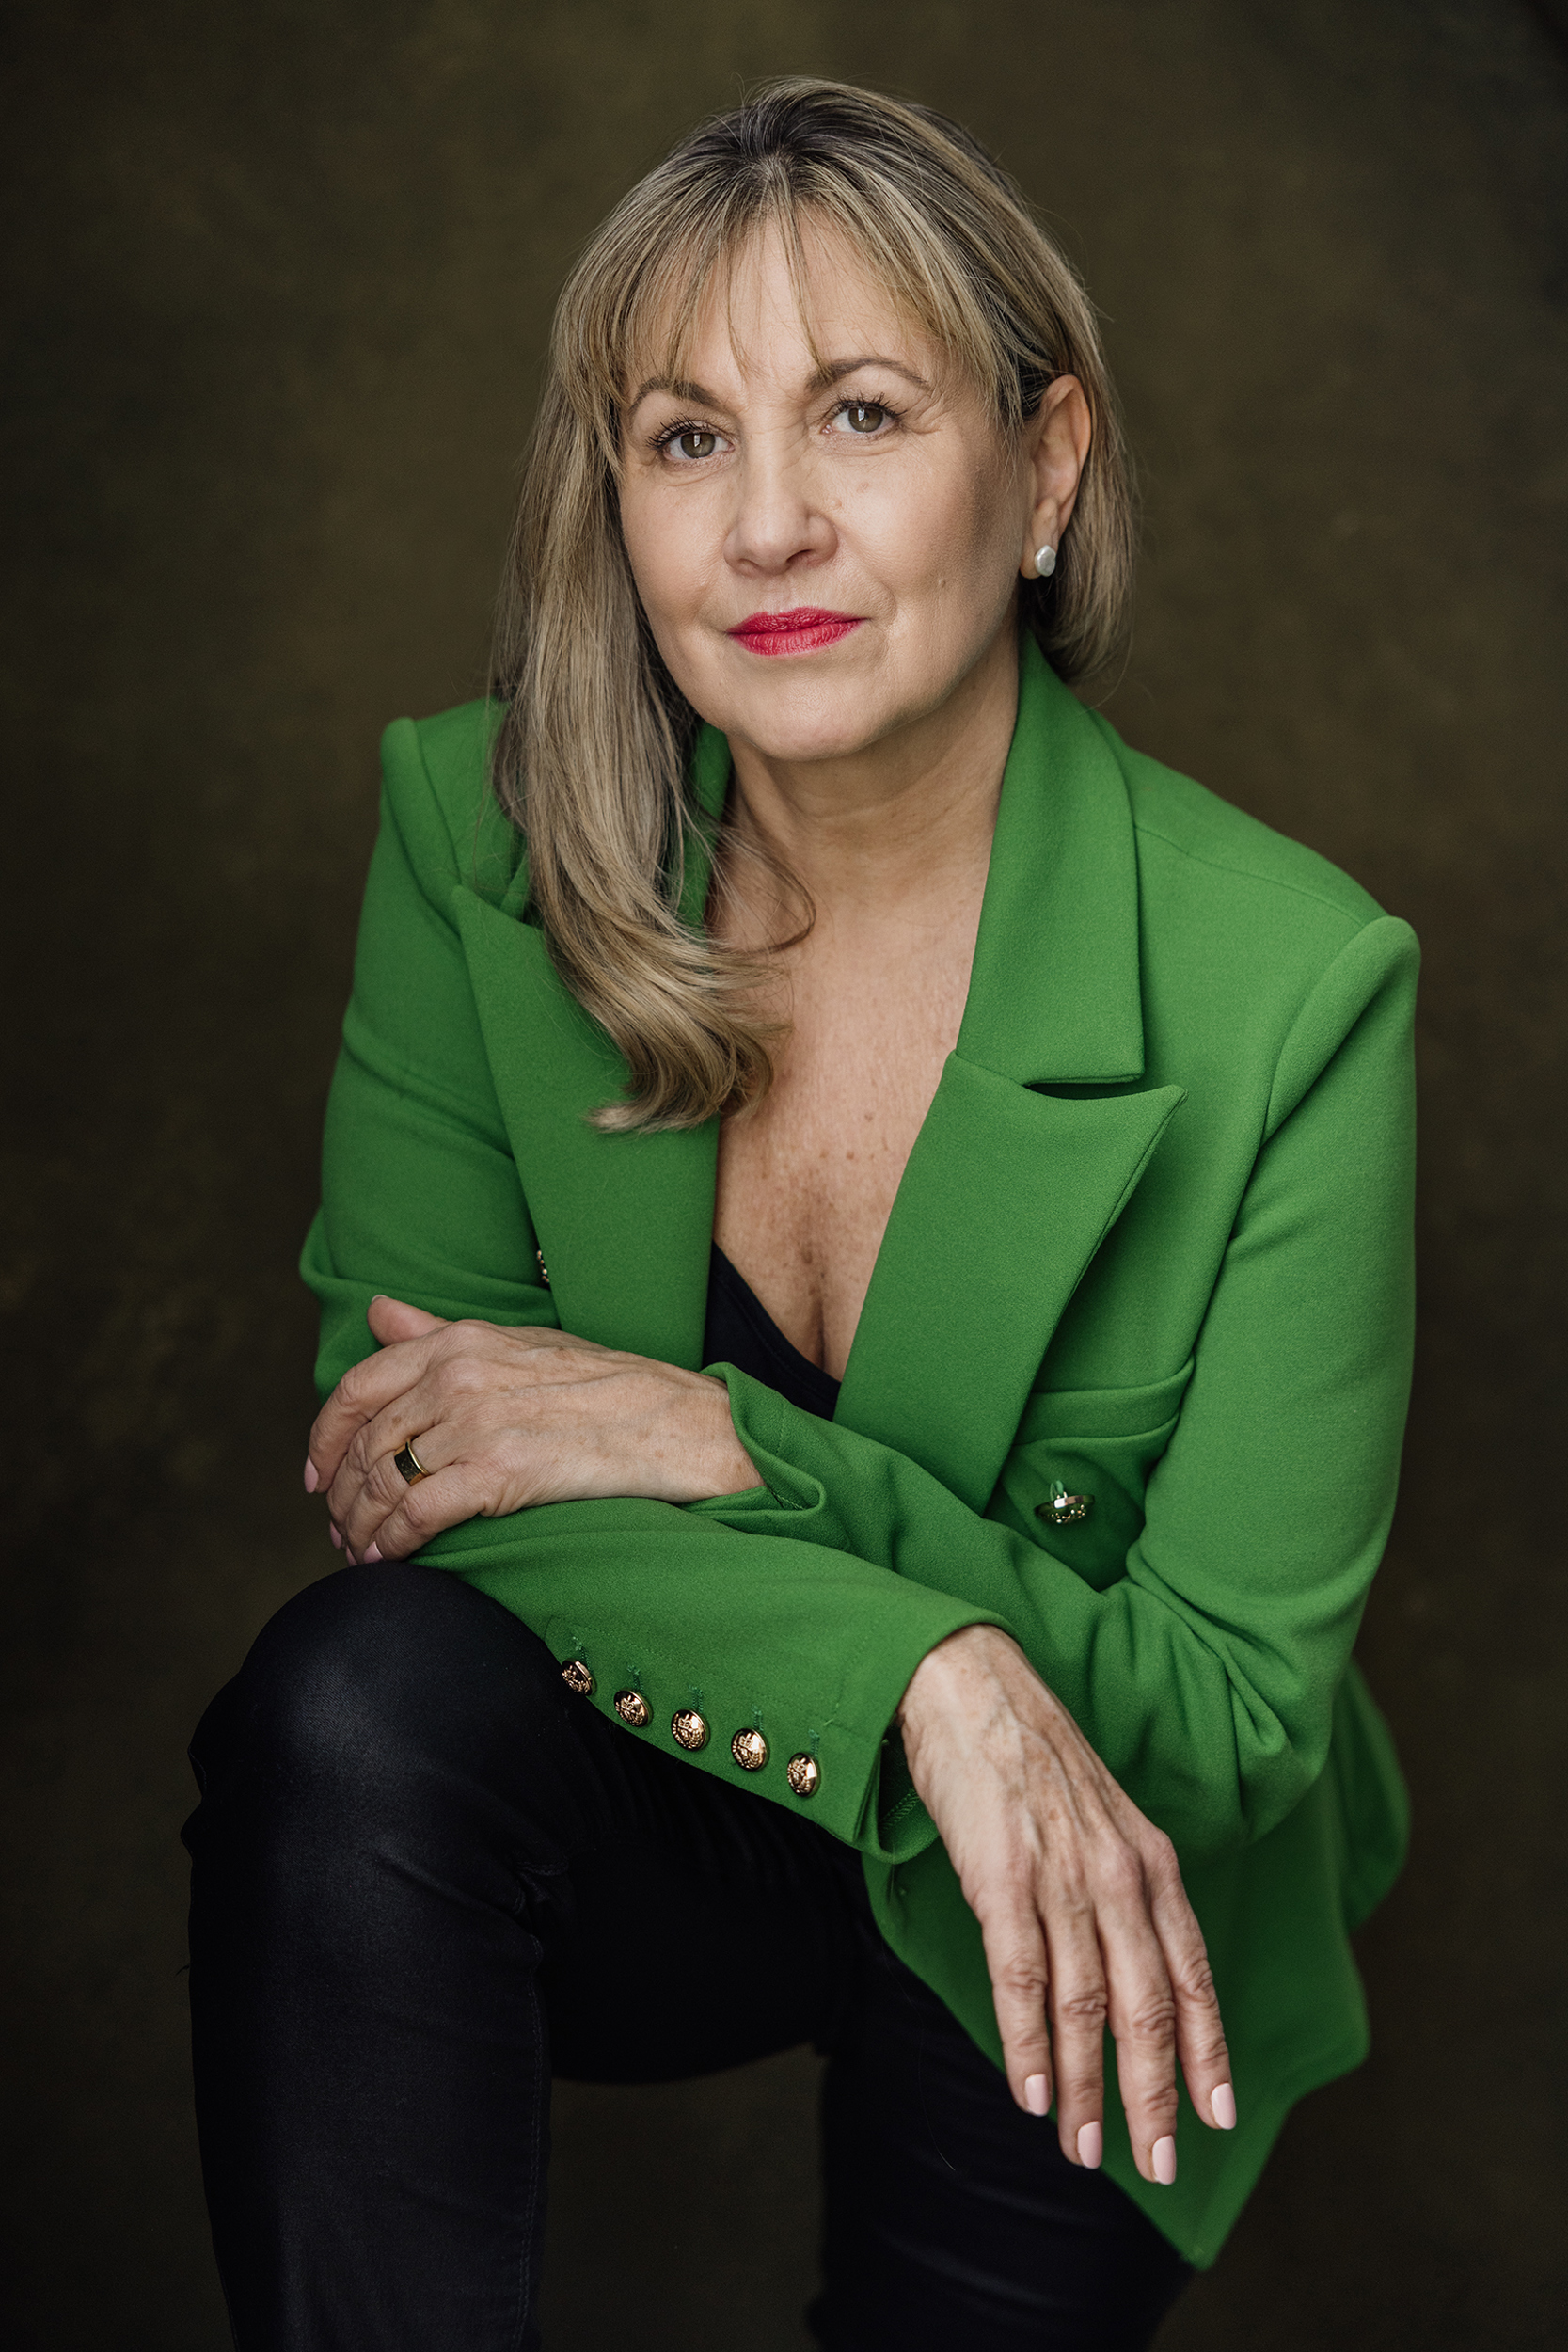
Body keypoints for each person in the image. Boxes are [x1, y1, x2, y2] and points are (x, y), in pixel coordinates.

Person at [182, 78, 1416, 2352]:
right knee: (346, 1711)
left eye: (861, 412)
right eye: (686, 437)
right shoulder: (473, 837)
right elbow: (406, 1450)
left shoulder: (1294, 983)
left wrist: (719, 1442)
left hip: (1091, 1877)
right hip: (670, 1770)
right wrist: (925, 1664)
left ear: (1046, 467)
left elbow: (1229, 1709)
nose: (767, 526)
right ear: (617, 496)